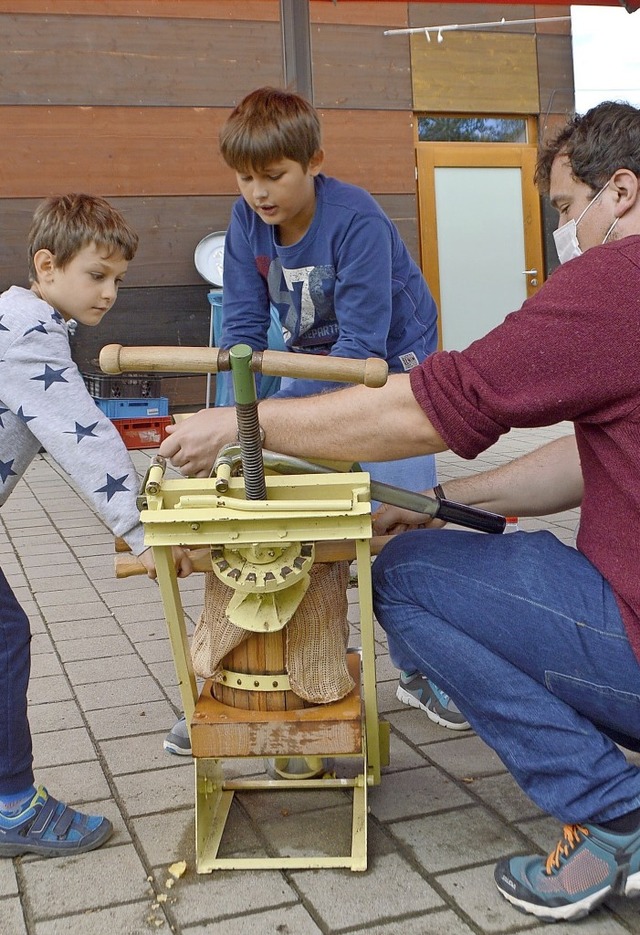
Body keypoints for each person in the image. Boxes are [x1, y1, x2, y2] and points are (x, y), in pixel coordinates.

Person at [159, 99, 640, 921]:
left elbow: (421, 400)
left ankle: (616, 810)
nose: (566, 233)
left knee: (407, 577)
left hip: (391, 381)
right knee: (428, 536)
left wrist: (249, 426)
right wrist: (443, 499)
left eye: (566, 210)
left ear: (620, 193)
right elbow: (591, 459)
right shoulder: (248, 231)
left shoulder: (619, 279)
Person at [163, 85, 465, 757]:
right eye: (245, 178)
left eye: (274, 176)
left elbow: (361, 356)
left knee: (406, 520)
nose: (259, 193)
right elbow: (242, 335)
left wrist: (275, 419)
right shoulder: (245, 225)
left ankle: (425, 669)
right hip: (317, 359)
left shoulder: (356, 220)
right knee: (272, 509)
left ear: (314, 162)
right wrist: (236, 420)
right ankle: (233, 686)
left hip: (393, 361)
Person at [0, 193, 192, 859]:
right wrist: (146, 533)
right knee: (5, 638)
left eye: (118, 279)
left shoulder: (22, 322)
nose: (109, 292)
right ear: (46, 265)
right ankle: (11, 806)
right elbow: (85, 440)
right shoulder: (29, 337)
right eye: (97, 274)